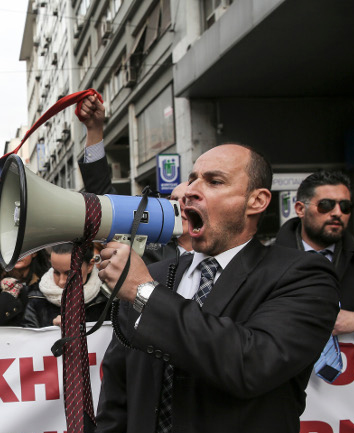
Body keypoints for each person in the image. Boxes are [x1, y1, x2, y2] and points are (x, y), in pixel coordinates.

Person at [94, 144, 339, 432]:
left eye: (214, 181)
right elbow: (117, 391)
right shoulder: (153, 275)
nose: (189, 191)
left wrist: (145, 293)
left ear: (256, 201)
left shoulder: (304, 275)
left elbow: (251, 365)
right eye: (193, 178)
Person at [275, 171, 354, 336]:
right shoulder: (268, 261)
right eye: (326, 205)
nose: (337, 213)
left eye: (345, 206)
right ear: (300, 209)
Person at [23, 244, 107, 328]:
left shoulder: (107, 298)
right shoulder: (35, 297)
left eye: (69, 274)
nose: (61, 282)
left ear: (90, 266)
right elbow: (28, 337)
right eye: (56, 272)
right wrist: (53, 330)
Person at [143, 181, 194, 264]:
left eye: (187, 200)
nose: (177, 206)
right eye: (173, 200)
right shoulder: (150, 251)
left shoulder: (216, 252)